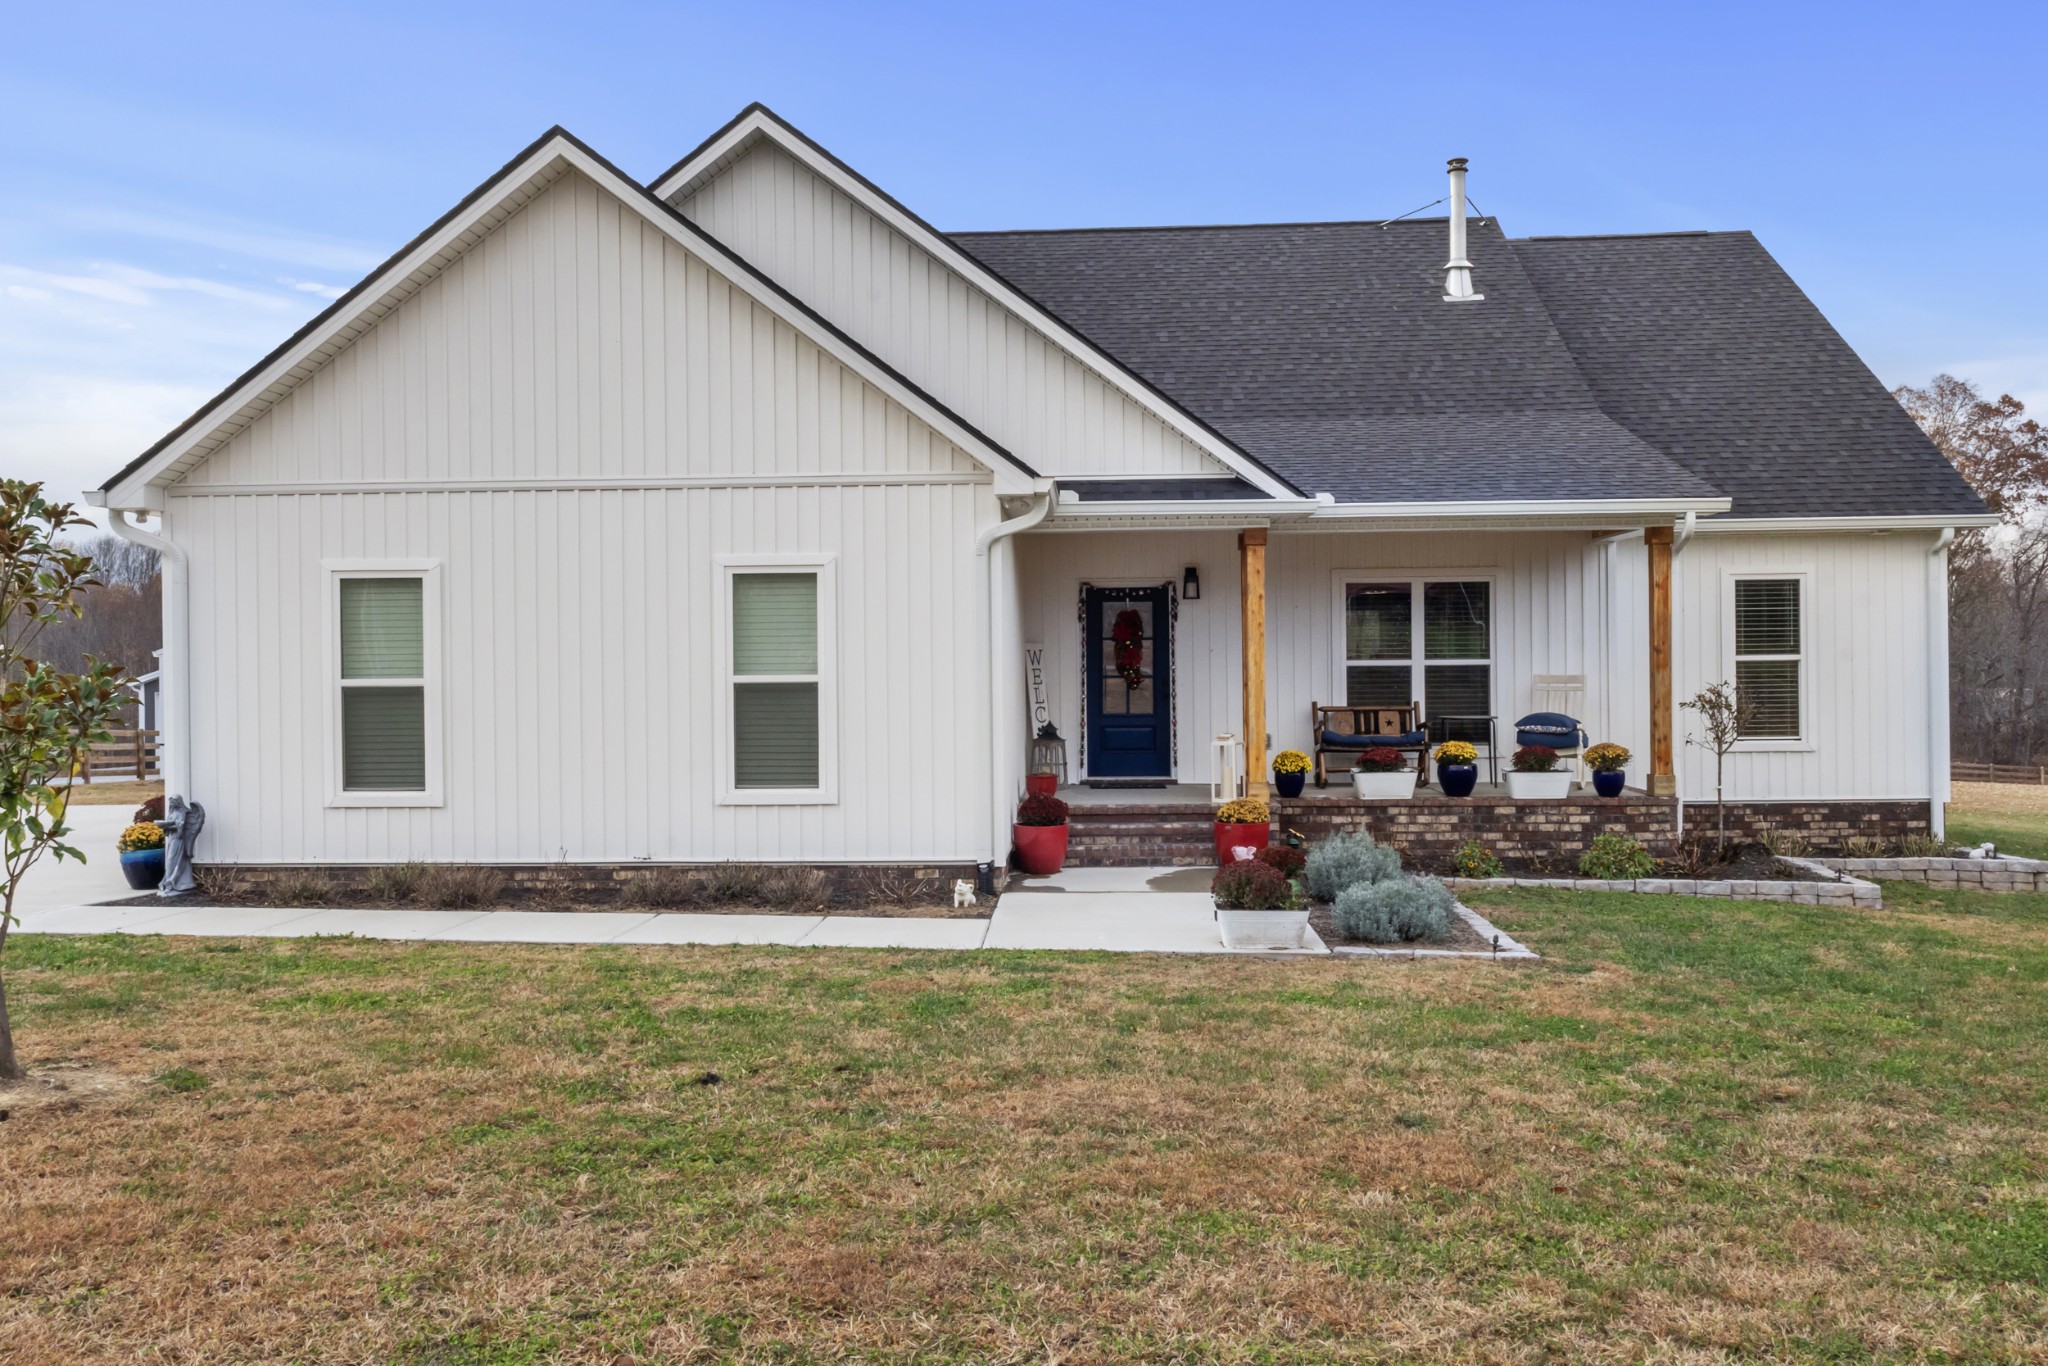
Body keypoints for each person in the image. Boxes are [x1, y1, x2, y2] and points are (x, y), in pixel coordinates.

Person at [158, 795, 206, 896]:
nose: (171, 804)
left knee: (172, 861)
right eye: (170, 802)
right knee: (168, 862)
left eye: (173, 802)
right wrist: (165, 826)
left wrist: (168, 824)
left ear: (178, 802)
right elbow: (168, 829)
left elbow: (181, 826)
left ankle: (172, 883)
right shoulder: (172, 812)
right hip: (171, 839)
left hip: (178, 840)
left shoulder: (182, 812)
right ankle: (169, 885)